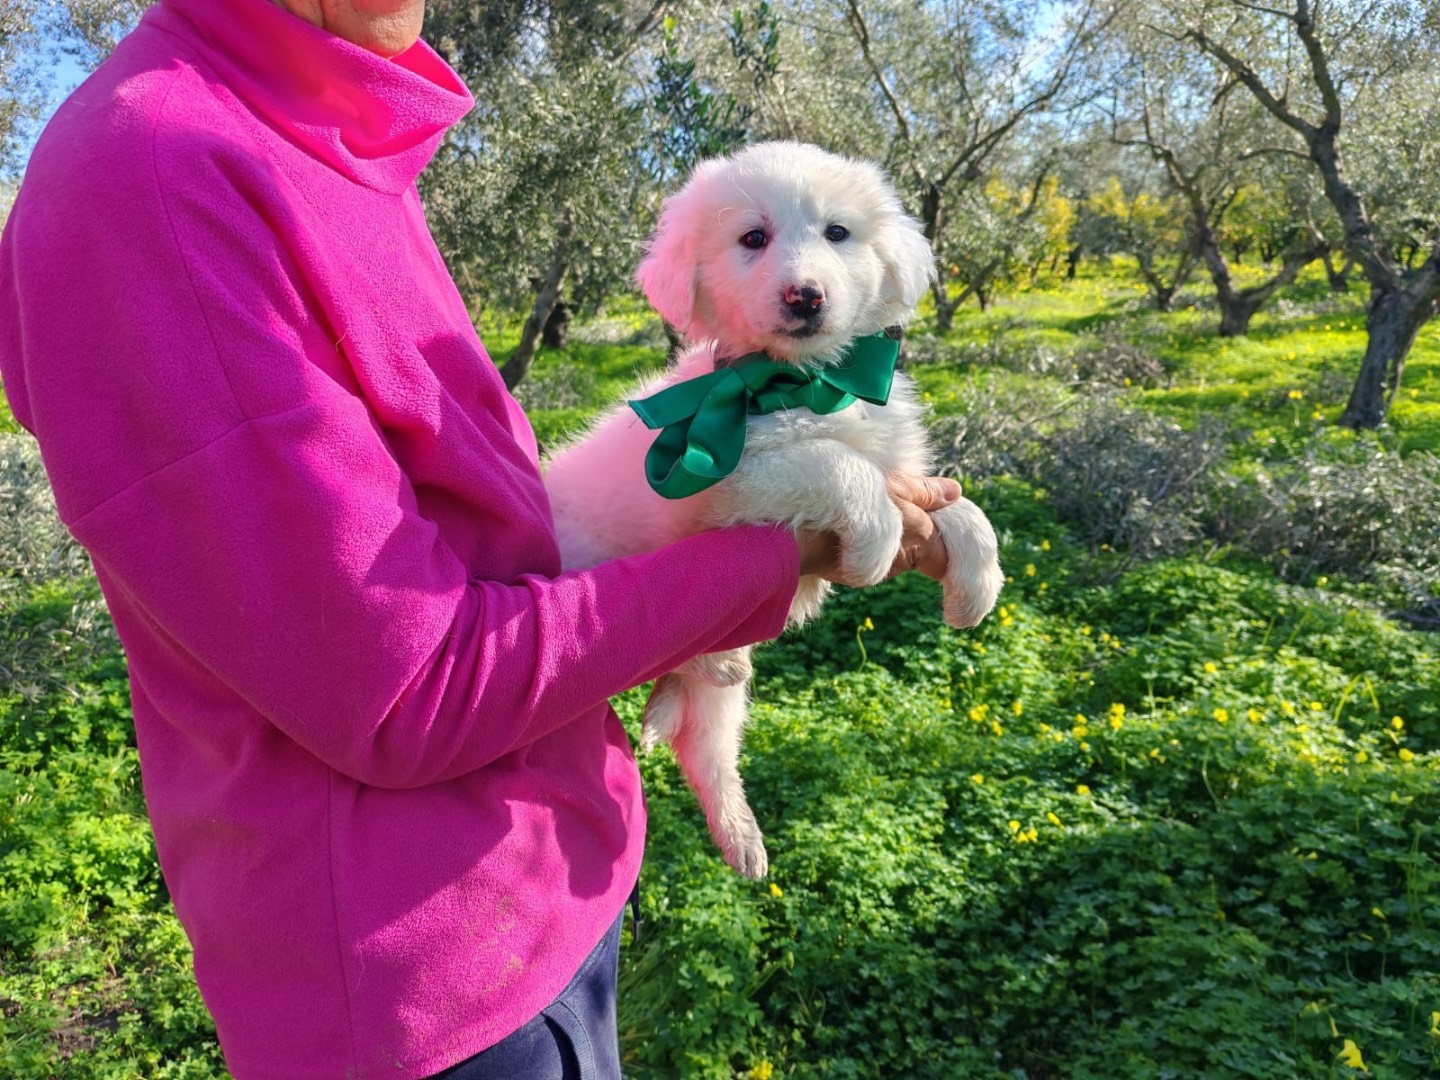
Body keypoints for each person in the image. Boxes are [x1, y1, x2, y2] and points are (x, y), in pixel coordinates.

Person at [0, 0, 960, 1076]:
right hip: (431, 979)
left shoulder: (319, 122)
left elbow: (479, 533)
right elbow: (404, 686)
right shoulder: (162, 175)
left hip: (548, 888)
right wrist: (773, 559)